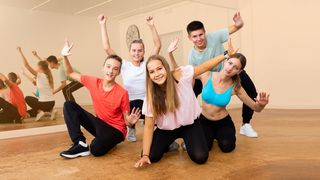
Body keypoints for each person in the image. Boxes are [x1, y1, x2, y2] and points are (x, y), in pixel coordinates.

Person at [134, 38, 237, 168]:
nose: (157, 74)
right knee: (151, 156)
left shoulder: (181, 74)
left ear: (166, 68)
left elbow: (204, 67)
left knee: (200, 157)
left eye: (159, 69)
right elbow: (149, 127)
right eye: (152, 72)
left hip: (190, 125)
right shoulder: (150, 95)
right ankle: (170, 144)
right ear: (149, 76)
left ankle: (188, 142)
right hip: (166, 130)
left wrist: (226, 54)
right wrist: (145, 156)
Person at [59, 40, 141, 159]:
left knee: (95, 149)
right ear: (103, 68)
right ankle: (80, 143)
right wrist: (64, 56)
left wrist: (130, 122)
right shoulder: (93, 82)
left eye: (115, 69)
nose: (110, 71)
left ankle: (108, 142)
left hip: (116, 130)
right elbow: (70, 73)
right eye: (108, 67)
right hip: (100, 124)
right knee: (69, 105)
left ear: (118, 72)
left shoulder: (122, 93)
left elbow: (126, 122)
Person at [187, 12, 259, 138]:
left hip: (228, 71)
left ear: (205, 33)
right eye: (195, 36)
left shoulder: (214, 37)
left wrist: (239, 22)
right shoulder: (192, 56)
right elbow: (195, 74)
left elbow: (237, 26)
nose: (199, 39)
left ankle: (245, 124)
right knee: (188, 96)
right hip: (208, 78)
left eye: (201, 34)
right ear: (190, 38)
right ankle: (191, 126)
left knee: (251, 90)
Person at [98, 14, 161, 142]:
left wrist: (151, 26)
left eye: (139, 50)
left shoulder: (147, 64)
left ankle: (153, 128)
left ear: (143, 52)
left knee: (154, 106)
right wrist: (102, 25)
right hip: (129, 103)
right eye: (134, 50)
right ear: (130, 51)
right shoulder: (124, 65)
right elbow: (106, 47)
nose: (136, 53)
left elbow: (157, 45)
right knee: (133, 103)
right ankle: (131, 126)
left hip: (146, 102)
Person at [198, 52, 269, 153]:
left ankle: (219, 135)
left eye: (235, 68)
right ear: (226, 61)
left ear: (239, 71)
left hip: (222, 122)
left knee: (227, 147)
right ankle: (211, 136)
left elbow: (255, 107)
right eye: (230, 63)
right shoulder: (206, 75)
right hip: (204, 120)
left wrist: (261, 104)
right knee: (206, 146)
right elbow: (185, 73)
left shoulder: (236, 87)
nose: (230, 68)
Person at [17, 47, 56, 121]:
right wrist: (24, 74)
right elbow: (34, 82)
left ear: (40, 68)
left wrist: (20, 52)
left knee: (27, 98)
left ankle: (41, 112)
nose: (36, 68)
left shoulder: (40, 75)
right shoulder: (48, 75)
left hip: (45, 104)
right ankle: (51, 112)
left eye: (37, 67)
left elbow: (26, 65)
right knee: (30, 112)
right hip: (52, 103)